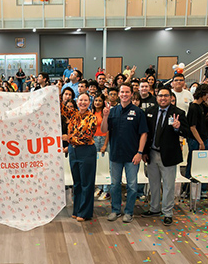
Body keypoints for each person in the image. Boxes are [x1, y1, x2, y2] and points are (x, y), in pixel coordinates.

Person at [103, 83, 147, 223]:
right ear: (118, 94)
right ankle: (115, 210)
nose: (124, 94)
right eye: (122, 92)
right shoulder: (113, 111)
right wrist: (105, 116)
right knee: (115, 185)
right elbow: (104, 130)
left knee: (132, 186)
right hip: (115, 155)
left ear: (131, 94)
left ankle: (129, 212)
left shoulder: (138, 112)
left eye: (127, 92)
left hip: (132, 156)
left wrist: (140, 152)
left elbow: (144, 134)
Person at [142, 87, 185, 225]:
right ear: (157, 97)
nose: (163, 98)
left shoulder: (178, 113)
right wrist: (143, 152)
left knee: (168, 185)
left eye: (166, 96)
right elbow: (145, 133)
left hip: (168, 155)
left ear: (171, 97)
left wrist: (178, 127)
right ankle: (154, 208)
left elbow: (187, 131)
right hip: (152, 153)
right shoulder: (150, 112)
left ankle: (167, 212)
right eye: (160, 95)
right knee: (153, 183)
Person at [62, 93, 99, 222]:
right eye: (80, 100)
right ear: (77, 101)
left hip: (86, 151)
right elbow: (60, 108)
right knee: (76, 183)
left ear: (89, 102)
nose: (82, 102)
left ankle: (85, 212)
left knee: (86, 183)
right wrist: (55, 93)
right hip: (73, 151)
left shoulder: (92, 118)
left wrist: (69, 138)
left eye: (85, 100)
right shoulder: (73, 114)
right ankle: (77, 210)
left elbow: (86, 136)